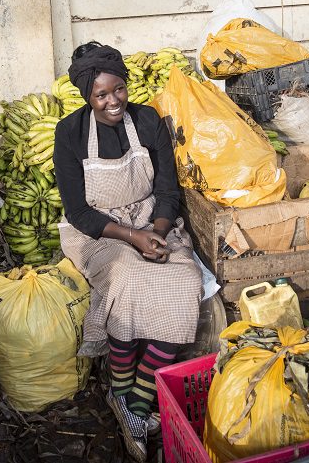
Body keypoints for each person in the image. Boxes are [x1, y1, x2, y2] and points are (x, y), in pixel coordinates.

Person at [53, 42, 202, 461]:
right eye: (101, 95)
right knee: (129, 278)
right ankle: (124, 390)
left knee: (185, 281)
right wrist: (131, 239)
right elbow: (79, 211)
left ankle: (135, 396)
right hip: (99, 232)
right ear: (87, 96)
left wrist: (155, 232)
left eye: (118, 90)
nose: (113, 101)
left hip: (152, 221)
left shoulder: (148, 119)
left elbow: (167, 190)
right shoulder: (70, 133)